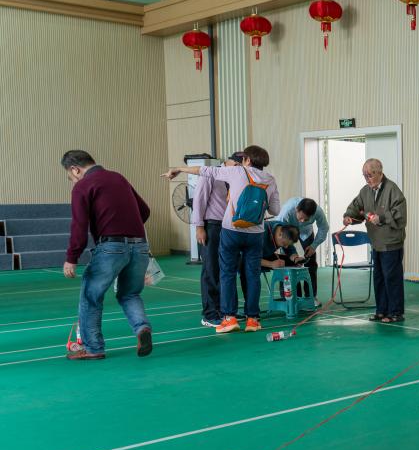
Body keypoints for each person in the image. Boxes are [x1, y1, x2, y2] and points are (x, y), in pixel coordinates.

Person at [162, 145, 280, 334]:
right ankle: (253, 319)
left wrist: (179, 169)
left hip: (231, 230)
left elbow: (203, 170)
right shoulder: (270, 179)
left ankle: (229, 318)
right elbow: (275, 210)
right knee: (252, 274)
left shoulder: (237, 172)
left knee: (227, 273)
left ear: (247, 160)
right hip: (255, 233)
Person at [61, 150, 153, 360]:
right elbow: (145, 210)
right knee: (129, 294)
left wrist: (72, 258)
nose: (73, 180)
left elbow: (79, 226)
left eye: (70, 176)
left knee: (91, 297)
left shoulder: (82, 186)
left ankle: (93, 348)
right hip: (140, 245)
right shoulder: (118, 178)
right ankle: (142, 329)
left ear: (75, 169)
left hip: (111, 247)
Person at [343, 158, 407, 323]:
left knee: (391, 278)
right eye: (364, 175)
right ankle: (381, 310)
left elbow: (400, 214)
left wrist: (382, 218)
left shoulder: (392, 189)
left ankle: (396, 312)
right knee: (378, 278)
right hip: (376, 242)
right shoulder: (365, 191)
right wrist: (349, 216)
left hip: (391, 242)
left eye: (370, 175)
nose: (367, 179)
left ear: (380, 173)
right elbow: (356, 206)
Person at [192, 152, 241, 328]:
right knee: (211, 270)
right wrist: (199, 227)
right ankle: (210, 314)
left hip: (230, 227)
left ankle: (227, 311)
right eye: (237, 167)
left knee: (227, 271)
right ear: (230, 162)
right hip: (212, 226)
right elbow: (199, 200)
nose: (239, 171)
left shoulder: (236, 177)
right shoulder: (211, 174)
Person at [275, 197, 329, 297]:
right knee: (288, 261)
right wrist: (294, 256)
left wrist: (313, 246)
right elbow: (279, 233)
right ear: (297, 209)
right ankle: (292, 296)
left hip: (306, 232)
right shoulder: (287, 211)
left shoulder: (318, 211)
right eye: (301, 218)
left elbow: (324, 228)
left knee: (311, 262)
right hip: (288, 232)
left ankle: (311, 296)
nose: (303, 221)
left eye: (307, 219)